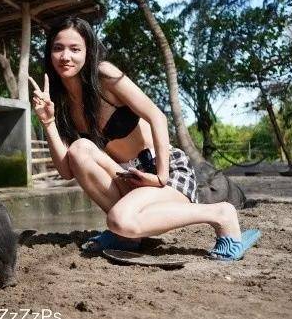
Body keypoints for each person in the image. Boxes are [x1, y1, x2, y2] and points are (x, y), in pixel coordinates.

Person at [29, 16, 260, 260]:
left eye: (75, 49)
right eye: (58, 48)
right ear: (50, 52)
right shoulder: (60, 101)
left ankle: (221, 213)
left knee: (118, 220)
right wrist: (48, 122)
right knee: (79, 149)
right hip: (127, 175)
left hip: (163, 170)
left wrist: (161, 175)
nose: (66, 56)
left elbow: (157, 116)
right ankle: (129, 234)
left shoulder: (104, 76)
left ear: (88, 51)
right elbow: (67, 171)